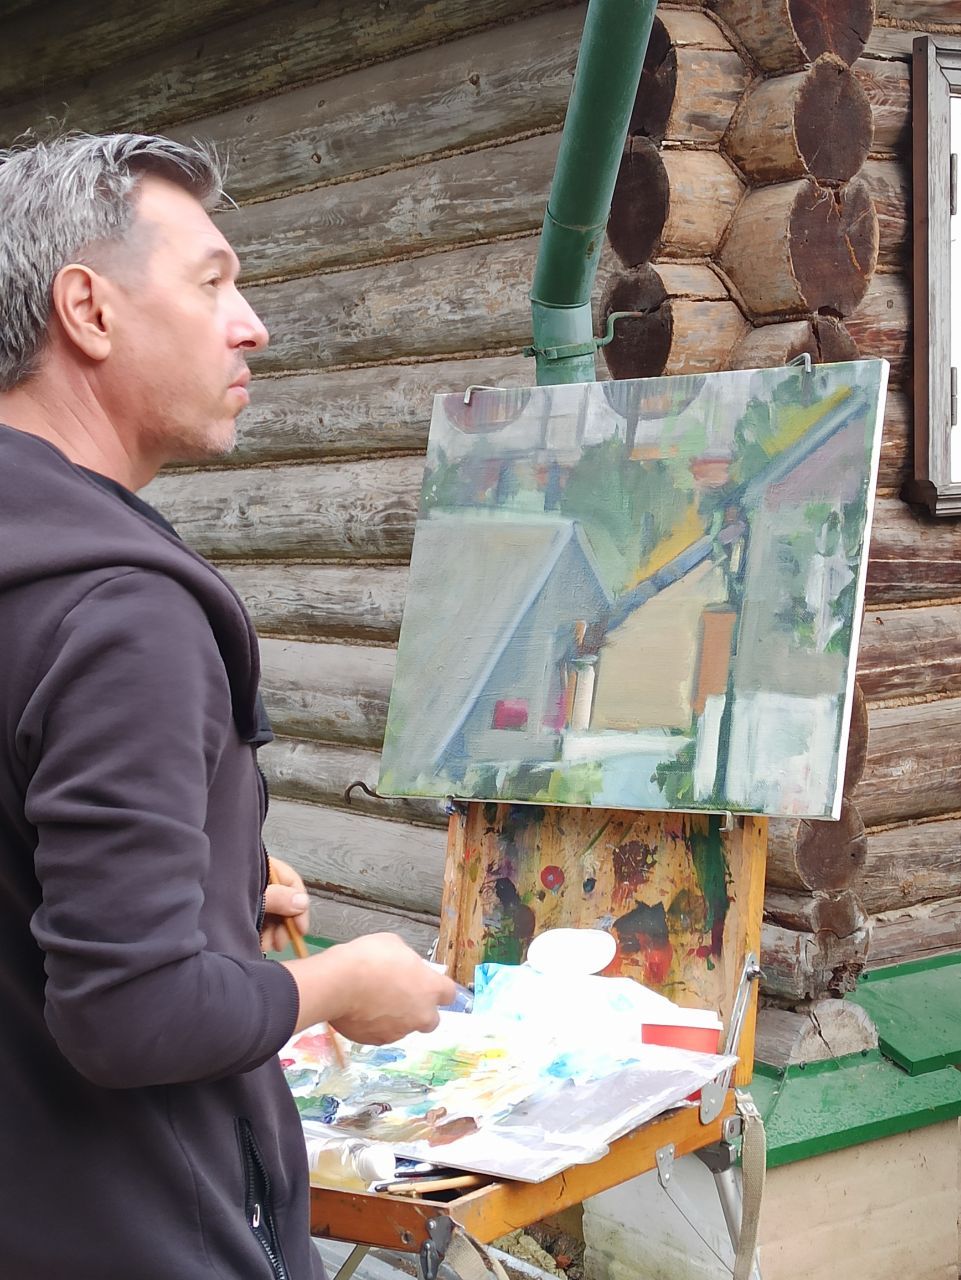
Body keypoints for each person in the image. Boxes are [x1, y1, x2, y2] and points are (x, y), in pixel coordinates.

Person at [0, 133, 455, 1280]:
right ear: (88, 310)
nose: (251, 325)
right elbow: (131, 1013)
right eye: (212, 283)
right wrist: (340, 984)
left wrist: (211, 885)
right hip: (136, 1232)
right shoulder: (120, 613)